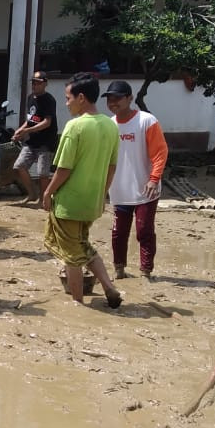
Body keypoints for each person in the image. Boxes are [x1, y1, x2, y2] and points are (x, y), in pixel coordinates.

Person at [41, 72, 123, 307]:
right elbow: (112, 166)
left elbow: (64, 168)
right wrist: (102, 194)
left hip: (70, 202)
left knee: (72, 256)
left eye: (68, 98)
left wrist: (48, 193)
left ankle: (78, 302)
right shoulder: (110, 125)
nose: (66, 103)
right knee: (82, 246)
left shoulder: (74, 126)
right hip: (92, 201)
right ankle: (108, 286)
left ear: (81, 98)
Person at [104, 80, 169, 280]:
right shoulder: (109, 125)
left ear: (130, 98)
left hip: (145, 189)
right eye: (109, 99)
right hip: (120, 189)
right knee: (118, 232)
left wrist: (153, 178)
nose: (113, 103)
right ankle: (119, 269)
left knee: (144, 231)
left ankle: (146, 271)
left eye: (118, 98)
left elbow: (160, 152)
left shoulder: (146, 121)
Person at [12, 71, 58, 203]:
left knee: (42, 173)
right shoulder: (30, 98)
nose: (34, 85)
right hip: (32, 141)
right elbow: (30, 119)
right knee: (19, 166)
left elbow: (47, 122)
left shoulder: (49, 100)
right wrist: (20, 130)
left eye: (37, 83)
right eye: (33, 82)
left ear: (45, 84)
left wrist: (27, 130)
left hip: (46, 141)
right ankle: (32, 194)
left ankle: (44, 198)